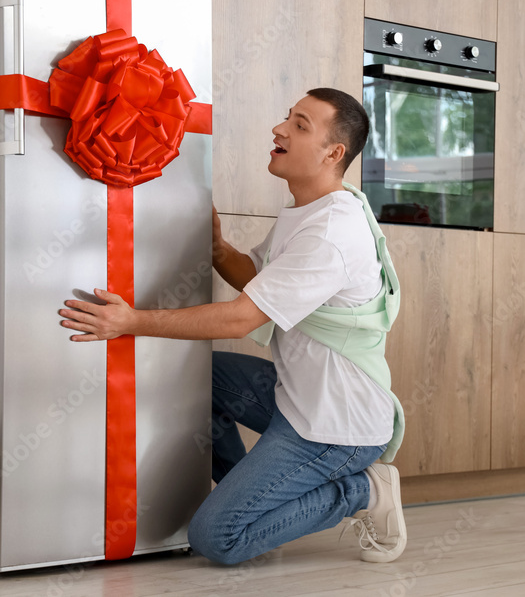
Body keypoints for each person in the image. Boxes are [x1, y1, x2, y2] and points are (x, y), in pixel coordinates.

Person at [58, 87, 406, 565]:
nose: (279, 129)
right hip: (296, 397)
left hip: (336, 428)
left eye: (300, 125)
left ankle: (363, 491)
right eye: (287, 117)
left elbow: (244, 317)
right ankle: (257, 499)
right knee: (200, 377)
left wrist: (131, 321)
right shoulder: (309, 210)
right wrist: (220, 249)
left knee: (216, 539)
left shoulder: (332, 232)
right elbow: (260, 280)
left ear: (334, 153)